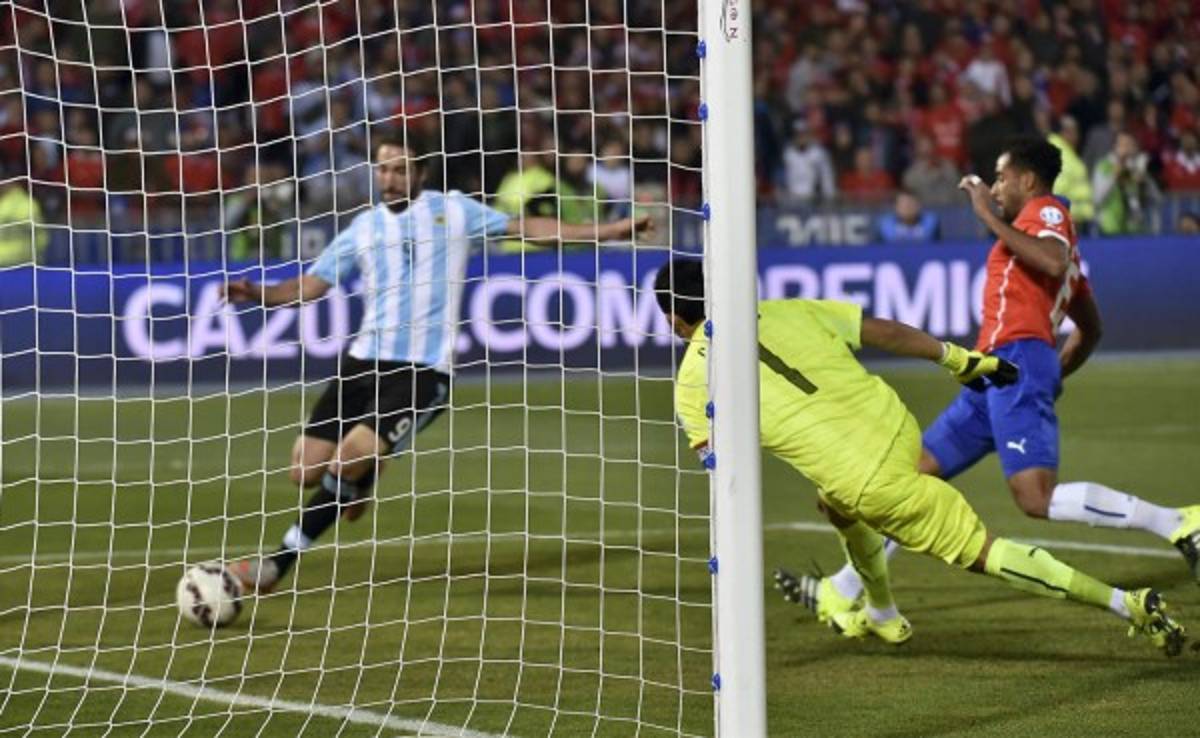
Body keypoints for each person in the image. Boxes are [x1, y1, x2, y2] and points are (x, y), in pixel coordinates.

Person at [657, 257, 1184, 655]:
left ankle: (1125, 604)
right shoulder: (788, 310)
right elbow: (884, 331)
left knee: (984, 553)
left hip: (871, 483)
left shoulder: (691, 385)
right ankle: (880, 610)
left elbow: (722, 472)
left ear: (676, 319)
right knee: (834, 505)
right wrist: (960, 360)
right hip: (900, 430)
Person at [786, 137, 1199, 629]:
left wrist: (985, 214)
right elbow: (1090, 327)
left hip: (1017, 358)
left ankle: (1177, 522)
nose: (995, 188)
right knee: (912, 479)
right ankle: (846, 589)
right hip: (996, 374)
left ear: (1028, 180)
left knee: (1035, 498)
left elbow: (1052, 261)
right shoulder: (1048, 249)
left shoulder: (1047, 213)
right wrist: (1052, 371)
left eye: (1001, 178)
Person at [221, 133, 650, 593]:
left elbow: (527, 228)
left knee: (346, 461)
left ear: (421, 173)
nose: (389, 178)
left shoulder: (454, 211)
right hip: (362, 363)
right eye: (383, 169)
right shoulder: (363, 228)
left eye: (400, 169)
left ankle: (277, 563)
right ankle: (366, 476)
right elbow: (309, 287)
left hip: (422, 371)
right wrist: (258, 293)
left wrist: (609, 232)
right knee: (304, 472)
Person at [1093, 131, 1162, 235]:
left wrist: (1145, 182)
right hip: (1108, 229)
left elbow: (1157, 199)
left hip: (1133, 230)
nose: (1126, 149)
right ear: (1114, 146)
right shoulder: (1103, 166)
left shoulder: (1135, 168)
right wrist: (1114, 175)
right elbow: (1097, 199)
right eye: (1122, 145)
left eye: (1129, 145)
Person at [1046, 116, 1095, 233]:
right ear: (1065, 132)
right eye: (1075, 131)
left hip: (1076, 218)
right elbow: (1056, 190)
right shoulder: (1059, 155)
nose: (1077, 136)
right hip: (1069, 220)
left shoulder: (1067, 153)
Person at [781, 120, 837, 204]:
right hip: (792, 200)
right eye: (798, 134)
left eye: (803, 134)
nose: (801, 137)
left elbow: (827, 178)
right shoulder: (787, 154)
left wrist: (829, 199)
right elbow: (782, 179)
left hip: (814, 199)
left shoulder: (819, 153)